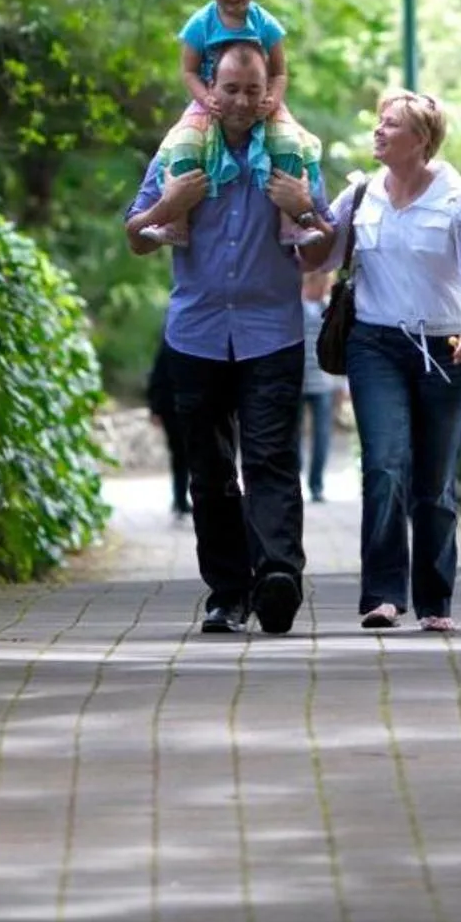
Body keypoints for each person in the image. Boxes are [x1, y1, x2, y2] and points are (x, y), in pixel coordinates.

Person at [125, 38, 334, 634]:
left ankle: (277, 578)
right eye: (231, 90)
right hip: (195, 334)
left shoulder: (293, 155)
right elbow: (136, 235)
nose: (243, 102)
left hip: (272, 333)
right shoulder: (182, 151)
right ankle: (226, 592)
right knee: (210, 469)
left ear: (270, 92)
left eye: (253, 90)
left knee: (270, 457)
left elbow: (321, 252)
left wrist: (308, 210)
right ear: (210, 90)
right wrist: (168, 204)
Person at [328, 89, 461, 634]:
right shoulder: (359, 196)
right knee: (383, 464)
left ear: (420, 140)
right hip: (375, 344)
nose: (378, 130)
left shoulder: (458, 199)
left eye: (391, 124)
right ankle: (381, 595)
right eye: (379, 121)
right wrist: (291, 210)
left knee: (434, 481)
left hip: (447, 349)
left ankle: (434, 599)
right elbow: (317, 250)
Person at [156, 0, 308, 245]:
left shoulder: (264, 23)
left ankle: (290, 223)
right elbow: (188, 71)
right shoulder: (201, 24)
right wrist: (205, 98)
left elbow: (279, 71)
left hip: (260, 101)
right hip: (209, 101)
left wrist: (272, 100)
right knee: (183, 143)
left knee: (290, 143)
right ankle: (176, 222)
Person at [300, 267, 339, 501]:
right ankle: (294, 479)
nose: (325, 289)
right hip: (298, 382)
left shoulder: (330, 309)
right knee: (291, 437)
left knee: (322, 436)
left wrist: (342, 386)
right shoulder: (295, 308)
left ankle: (316, 485)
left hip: (323, 382)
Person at [146, 332, 190, 517]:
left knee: (183, 455)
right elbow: (157, 378)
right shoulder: (170, 345)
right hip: (172, 408)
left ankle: (182, 500)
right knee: (180, 454)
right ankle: (180, 499)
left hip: (182, 406)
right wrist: (155, 409)